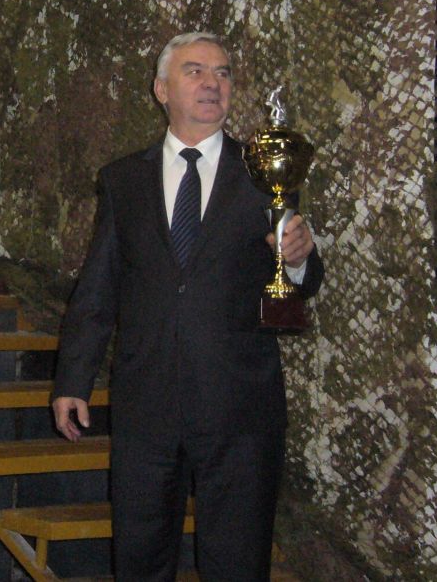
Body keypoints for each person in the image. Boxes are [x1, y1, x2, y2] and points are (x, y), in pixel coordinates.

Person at [51, 32, 324, 582]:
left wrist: (298, 260)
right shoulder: (123, 180)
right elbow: (98, 288)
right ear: (161, 89)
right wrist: (72, 380)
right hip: (146, 405)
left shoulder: (264, 172)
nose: (211, 83)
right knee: (140, 559)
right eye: (195, 70)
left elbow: (302, 280)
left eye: (222, 73)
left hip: (240, 407)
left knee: (237, 564)